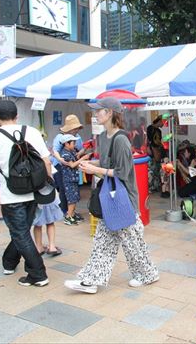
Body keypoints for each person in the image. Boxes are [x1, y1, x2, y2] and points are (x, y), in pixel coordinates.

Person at [64, 97, 159, 294]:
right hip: (112, 199)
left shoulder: (121, 139)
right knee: (103, 242)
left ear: (109, 113)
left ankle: (148, 274)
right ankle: (90, 280)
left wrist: (93, 168)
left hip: (123, 200)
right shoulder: (105, 137)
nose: (95, 114)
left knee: (133, 244)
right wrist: (91, 164)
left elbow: (122, 172)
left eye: (99, 111)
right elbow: (109, 164)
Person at [0, 101, 52, 287]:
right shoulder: (32, 131)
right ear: (16, 116)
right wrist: (48, 186)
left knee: (20, 233)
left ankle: (38, 274)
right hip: (34, 191)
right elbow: (46, 162)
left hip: (11, 194)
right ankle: (9, 262)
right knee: (21, 231)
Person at [51, 114, 85, 219]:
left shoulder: (78, 137)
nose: (77, 130)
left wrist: (79, 154)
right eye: (75, 128)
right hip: (60, 166)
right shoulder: (59, 137)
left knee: (72, 190)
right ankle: (64, 211)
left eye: (77, 128)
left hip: (71, 166)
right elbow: (54, 150)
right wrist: (60, 159)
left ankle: (71, 212)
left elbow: (81, 149)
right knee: (63, 188)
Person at [59, 134, 90, 225]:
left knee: (75, 197)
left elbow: (75, 162)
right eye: (73, 143)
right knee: (71, 198)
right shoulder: (65, 153)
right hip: (69, 180)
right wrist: (83, 158)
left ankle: (72, 214)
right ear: (66, 144)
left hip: (73, 179)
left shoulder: (71, 151)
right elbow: (72, 165)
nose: (75, 144)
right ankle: (68, 217)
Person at [32, 177, 64, 257]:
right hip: (49, 194)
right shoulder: (46, 163)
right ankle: (52, 247)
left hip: (35, 195)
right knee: (50, 222)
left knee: (37, 225)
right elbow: (49, 169)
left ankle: (39, 247)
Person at [147, 115, 166, 196]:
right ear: (160, 121)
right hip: (152, 150)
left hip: (158, 150)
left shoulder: (159, 131)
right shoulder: (150, 128)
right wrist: (148, 148)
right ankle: (151, 187)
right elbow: (148, 139)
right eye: (163, 122)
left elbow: (159, 141)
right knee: (152, 169)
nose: (164, 124)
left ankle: (156, 186)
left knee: (157, 169)